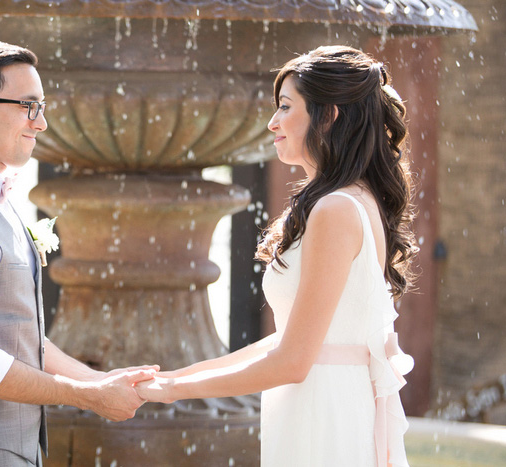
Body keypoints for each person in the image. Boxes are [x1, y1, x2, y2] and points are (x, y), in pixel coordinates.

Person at [136, 45, 418, 467]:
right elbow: (291, 342)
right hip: (322, 404)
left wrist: (177, 393)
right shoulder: (351, 200)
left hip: (324, 416)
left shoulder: (336, 209)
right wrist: (178, 377)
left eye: (285, 107)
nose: (272, 122)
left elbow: (292, 361)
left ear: (328, 116)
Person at [0, 40, 156, 467]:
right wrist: (87, 397)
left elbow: (18, 334)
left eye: (42, 106)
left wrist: (99, 380)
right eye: (28, 106)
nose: (42, 123)